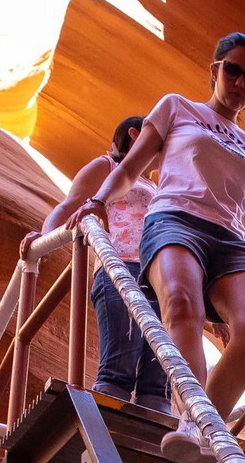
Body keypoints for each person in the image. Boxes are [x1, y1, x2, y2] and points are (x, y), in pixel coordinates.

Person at [83, 32, 245, 461]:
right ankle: (193, 419)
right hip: (175, 219)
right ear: (214, 70)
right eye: (233, 70)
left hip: (228, 239)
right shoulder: (177, 107)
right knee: (183, 305)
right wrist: (98, 201)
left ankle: (202, 425)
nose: (241, 83)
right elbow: (131, 168)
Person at [22, 117, 168, 409]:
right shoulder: (108, 167)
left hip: (158, 274)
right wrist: (44, 237)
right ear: (135, 134)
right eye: (161, 140)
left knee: (159, 369)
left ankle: (151, 442)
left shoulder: (158, 184)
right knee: (121, 359)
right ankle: (104, 431)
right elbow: (71, 203)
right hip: (120, 265)